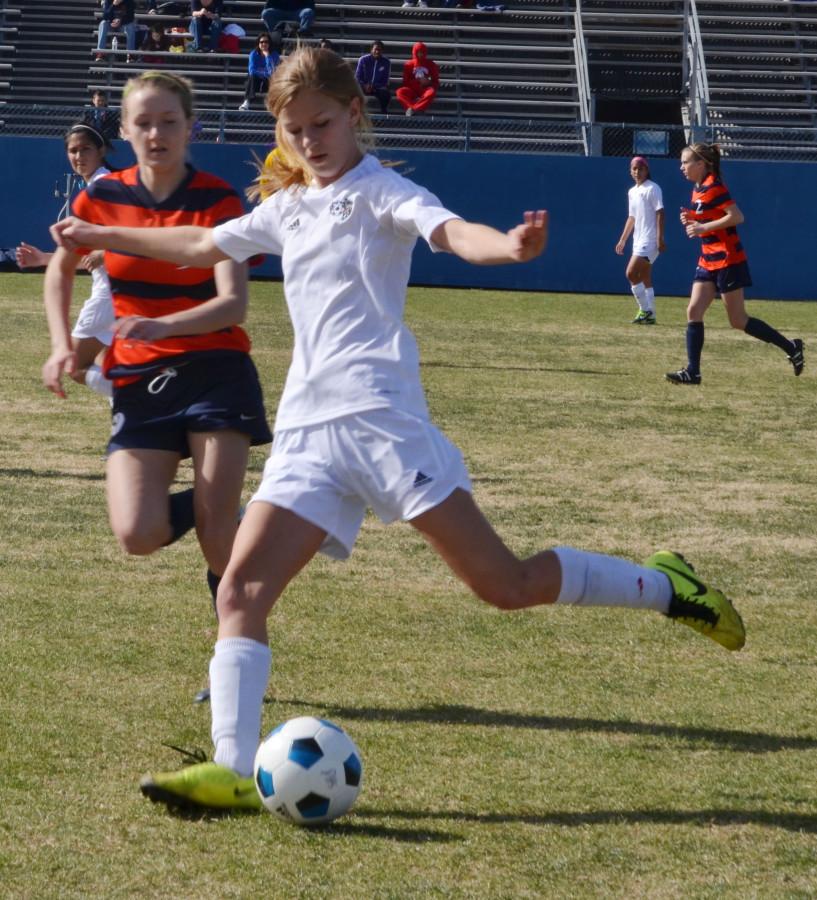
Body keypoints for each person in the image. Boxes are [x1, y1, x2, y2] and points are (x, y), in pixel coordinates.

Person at [50, 48, 745, 812]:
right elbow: (198, 245)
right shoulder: (286, 209)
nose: (309, 141)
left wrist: (507, 247)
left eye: (321, 123)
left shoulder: (384, 192)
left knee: (504, 585)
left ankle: (664, 587)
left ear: (354, 115)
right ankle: (232, 767)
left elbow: (450, 233)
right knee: (241, 591)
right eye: (292, 130)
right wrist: (100, 234)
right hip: (309, 433)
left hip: (385, 426)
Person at [42, 72, 272, 665]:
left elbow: (233, 302)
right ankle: (250, 515)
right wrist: (60, 343)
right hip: (141, 379)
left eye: (169, 121)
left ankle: (234, 661)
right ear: (123, 130)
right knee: (137, 534)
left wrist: (164, 326)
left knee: (215, 531)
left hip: (217, 365)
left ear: (190, 127)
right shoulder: (99, 197)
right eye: (142, 123)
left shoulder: (219, 201)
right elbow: (60, 268)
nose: (156, 133)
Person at [666, 142, 804, 385]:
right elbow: (710, 217)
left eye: (685, 162)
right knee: (693, 311)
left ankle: (791, 346)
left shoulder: (715, 186)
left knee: (738, 320)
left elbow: (737, 216)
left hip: (728, 259)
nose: (682, 167)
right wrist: (692, 218)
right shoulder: (698, 189)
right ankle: (693, 372)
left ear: (701, 164)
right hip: (708, 259)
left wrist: (702, 226)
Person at [17, 123, 116, 400]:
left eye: (85, 149)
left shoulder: (104, 186)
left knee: (75, 365)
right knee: (111, 366)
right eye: (72, 150)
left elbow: (137, 235)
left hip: (111, 293)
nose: (78, 155)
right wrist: (44, 259)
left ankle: (138, 404)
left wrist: (107, 252)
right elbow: (85, 255)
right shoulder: (96, 186)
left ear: (102, 150)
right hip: (116, 291)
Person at [615, 156, 665, 325]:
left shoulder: (653, 188)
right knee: (644, 276)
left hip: (649, 240)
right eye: (634, 169)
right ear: (630, 171)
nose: (637, 172)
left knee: (630, 273)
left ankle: (645, 310)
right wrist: (622, 240)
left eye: (641, 168)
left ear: (647, 170)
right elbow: (632, 217)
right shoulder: (632, 191)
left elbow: (660, 213)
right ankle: (651, 315)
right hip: (638, 240)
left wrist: (659, 238)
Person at [238, 32, 280, 111]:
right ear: (258, 43)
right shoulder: (253, 54)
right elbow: (252, 70)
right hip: (256, 81)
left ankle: (276, 105)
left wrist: (267, 56)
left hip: (268, 81)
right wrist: (265, 73)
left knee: (276, 79)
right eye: (261, 42)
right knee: (252, 77)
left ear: (269, 43)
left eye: (266, 42)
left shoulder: (274, 55)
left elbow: (273, 71)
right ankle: (246, 102)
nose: (264, 44)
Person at [396, 42, 439, 116]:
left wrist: (428, 82)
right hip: (412, 90)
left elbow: (436, 83)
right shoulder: (408, 65)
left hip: (424, 90)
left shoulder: (431, 64)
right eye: (418, 52)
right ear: (415, 52)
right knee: (399, 92)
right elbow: (405, 82)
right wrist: (418, 81)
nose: (420, 54)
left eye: (422, 52)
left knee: (431, 92)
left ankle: (415, 109)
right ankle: (411, 108)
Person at [355, 40, 392, 115]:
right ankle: (356, 113)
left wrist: (373, 86)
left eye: (379, 50)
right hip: (363, 86)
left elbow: (385, 80)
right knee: (354, 90)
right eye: (375, 49)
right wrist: (365, 85)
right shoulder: (363, 60)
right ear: (371, 50)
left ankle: (383, 115)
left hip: (377, 88)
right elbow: (358, 77)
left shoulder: (386, 62)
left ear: (382, 51)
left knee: (385, 94)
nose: (377, 52)